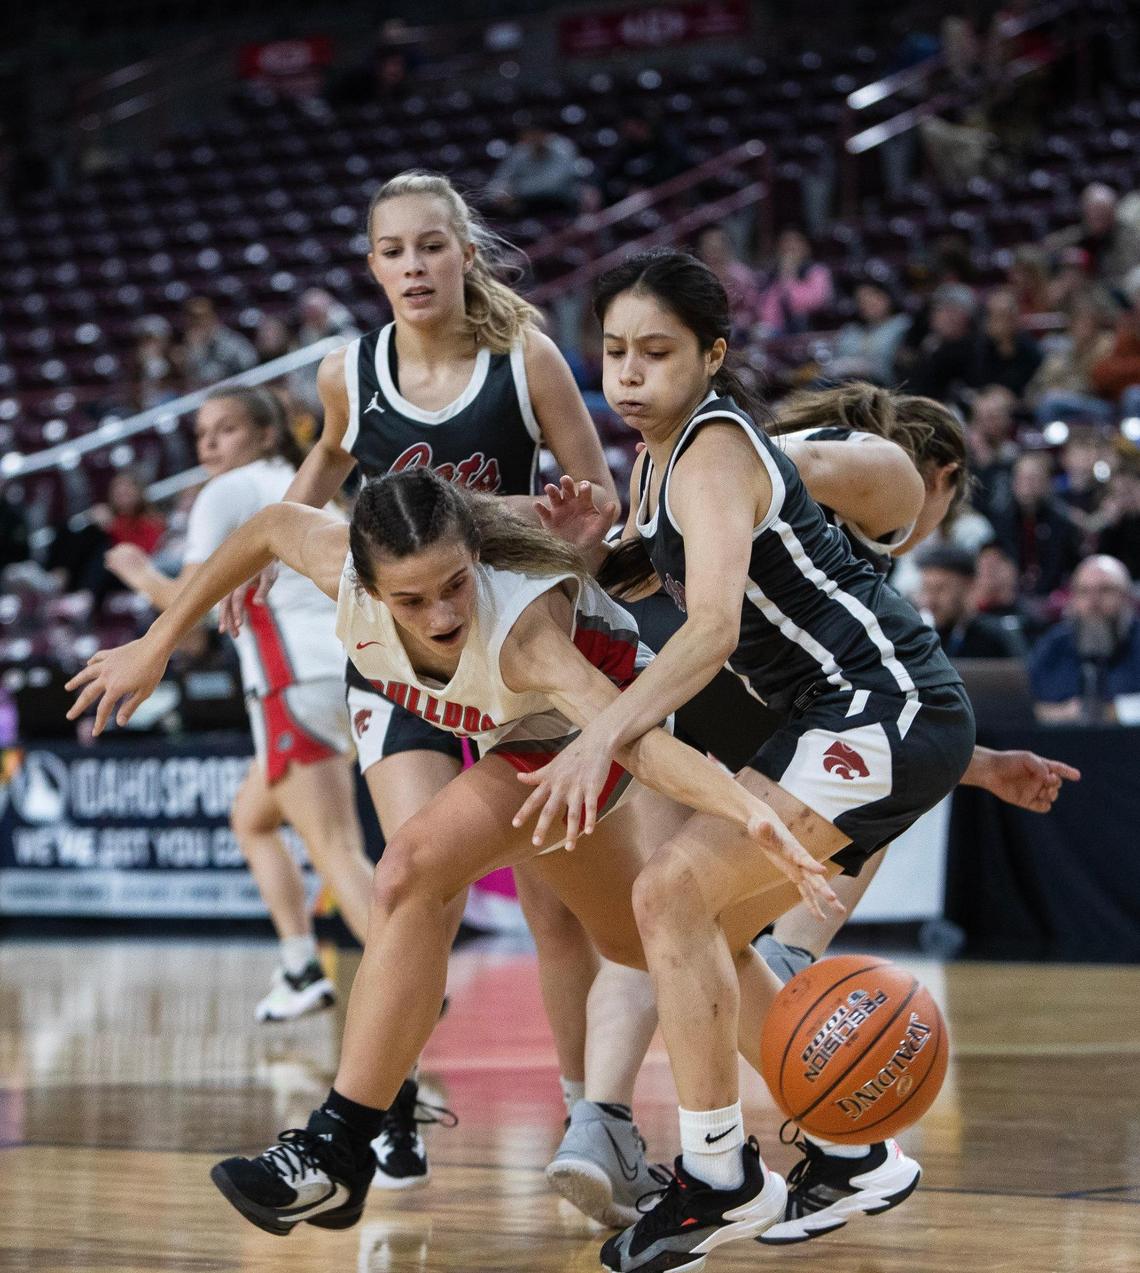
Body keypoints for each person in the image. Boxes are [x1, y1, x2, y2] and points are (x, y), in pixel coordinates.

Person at [65, 467, 839, 1241]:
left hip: (586, 733)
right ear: (364, 584)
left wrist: (747, 811)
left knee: (409, 868)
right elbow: (269, 524)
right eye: (410, 599)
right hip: (519, 735)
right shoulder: (340, 567)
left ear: (475, 556)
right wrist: (157, 641)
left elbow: (629, 740)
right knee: (654, 944)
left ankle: (337, 1149)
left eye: (454, 586)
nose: (439, 615)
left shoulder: (522, 632)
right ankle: (844, 1125)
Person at [517, 248, 978, 1268]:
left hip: (877, 701)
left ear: (714, 355)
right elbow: (650, 585)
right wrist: (590, 547)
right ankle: (848, 1151)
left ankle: (719, 1175)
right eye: (615, 353)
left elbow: (713, 628)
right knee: (703, 928)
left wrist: (604, 728)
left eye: (657, 353)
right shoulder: (657, 459)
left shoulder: (716, 447)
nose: (628, 375)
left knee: (670, 894)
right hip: (841, 712)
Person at [217, 169, 648, 1193]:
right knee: (411, 879)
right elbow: (323, 467)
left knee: (555, 911)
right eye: (393, 250)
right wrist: (277, 549)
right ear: (372, 266)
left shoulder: (525, 355)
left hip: (518, 663)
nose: (413, 266)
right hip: (406, 661)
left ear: (465, 252)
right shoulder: (345, 371)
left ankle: (588, 1124)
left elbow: (600, 508)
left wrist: (581, 542)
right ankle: (385, 1106)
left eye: (430, 246)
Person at [103, 387, 373, 1022]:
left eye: (225, 430)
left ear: (265, 433)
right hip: (347, 673)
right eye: (202, 434)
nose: (209, 446)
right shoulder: (306, 485)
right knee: (251, 819)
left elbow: (188, 616)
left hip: (292, 679)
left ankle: (408, 974)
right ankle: (300, 962)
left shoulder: (226, 493)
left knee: (336, 848)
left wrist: (140, 572)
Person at [1029, 554, 1140, 724]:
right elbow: (1025, 702)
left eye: (1105, 590)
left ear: (1127, 597)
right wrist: (1056, 713)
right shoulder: (1054, 645)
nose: (1093, 602)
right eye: (1083, 592)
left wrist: (1113, 712)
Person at [916, 544, 1026, 657]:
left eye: (940, 589)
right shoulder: (919, 639)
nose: (930, 600)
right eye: (926, 589)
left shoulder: (994, 640)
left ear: (968, 585)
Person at [828, 280, 911, 385]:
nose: (868, 302)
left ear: (887, 296)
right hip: (844, 384)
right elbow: (836, 360)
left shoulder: (903, 325)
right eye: (861, 299)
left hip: (885, 386)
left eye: (873, 296)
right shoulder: (851, 329)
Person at [176, 296, 258, 389]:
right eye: (192, 318)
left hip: (235, 391)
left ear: (213, 316)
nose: (198, 322)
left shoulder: (230, 340)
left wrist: (198, 349)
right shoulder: (187, 346)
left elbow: (250, 363)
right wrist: (195, 349)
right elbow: (192, 380)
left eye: (202, 317)